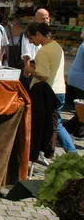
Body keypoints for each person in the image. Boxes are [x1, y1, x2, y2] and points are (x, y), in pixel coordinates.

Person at [24, 22, 77, 154]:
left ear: (38, 34)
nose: (30, 42)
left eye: (31, 38)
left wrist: (30, 69)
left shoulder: (44, 50)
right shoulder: (56, 46)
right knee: (53, 123)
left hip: (48, 92)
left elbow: (43, 75)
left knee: (54, 124)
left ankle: (71, 152)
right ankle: (51, 150)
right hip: (59, 89)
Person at [21, 8, 50, 89]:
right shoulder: (30, 32)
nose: (46, 20)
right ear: (36, 19)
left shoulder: (47, 34)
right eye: (43, 18)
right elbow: (26, 53)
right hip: (33, 65)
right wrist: (27, 68)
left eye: (47, 18)